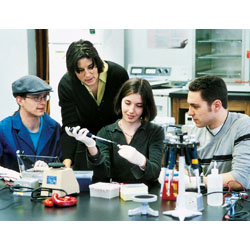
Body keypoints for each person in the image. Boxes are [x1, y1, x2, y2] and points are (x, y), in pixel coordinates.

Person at [65, 78, 164, 186]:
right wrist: (92, 146)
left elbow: (154, 173)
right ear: (120, 100)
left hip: (146, 196)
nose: (131, 110)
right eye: (127, 103)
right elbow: (102, 174)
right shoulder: (106, 133)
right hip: (116, 196)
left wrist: (141, 161)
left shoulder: (155, 132)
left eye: (139, 105)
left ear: (146, 107)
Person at [58, 39, 129, 170]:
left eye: (91, 67)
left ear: (97, 63)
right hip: (85, 147)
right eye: (80, 70)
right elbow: (70, 126)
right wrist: (66, 165)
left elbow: (128, 116)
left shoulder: (118, 75)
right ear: (73, 71)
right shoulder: (67, 85)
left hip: (117, 145)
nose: (88, 74)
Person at [185, 74, 250, 190]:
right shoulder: (193, 132)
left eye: (195, 106)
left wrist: (195, 181)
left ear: (216, 105)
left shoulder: (243, 126)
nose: (189, 113)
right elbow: (188, 174)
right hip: (208, 198)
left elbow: (240, 179)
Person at [0, 75, 62, 177]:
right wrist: (10, 174)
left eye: (44, 97)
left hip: (47, 189)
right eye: (37, 98)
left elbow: (63, 164)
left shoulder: (54, 128)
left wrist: (51, 169)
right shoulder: (4, 129)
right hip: (12, 190)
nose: (43, 102)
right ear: (20, 101)